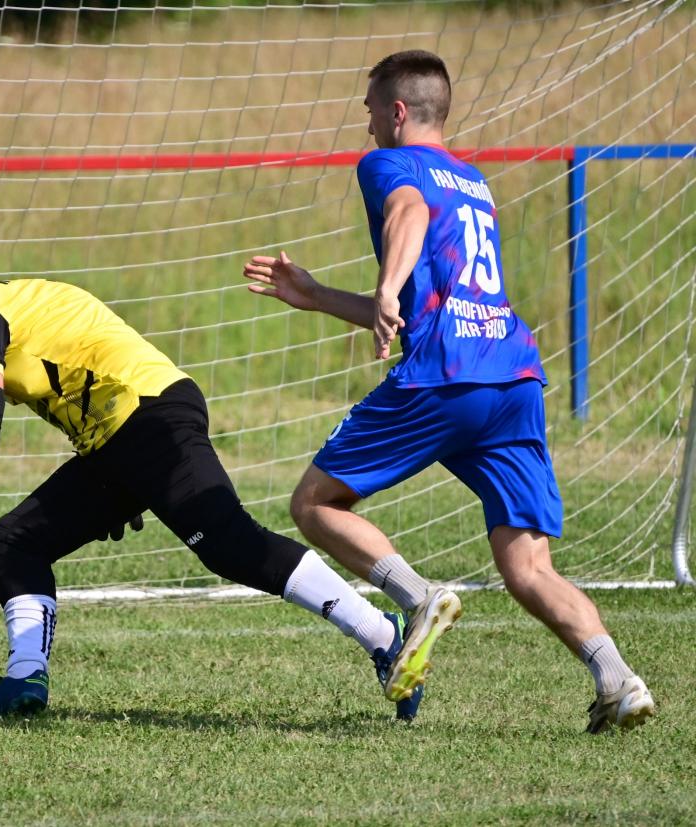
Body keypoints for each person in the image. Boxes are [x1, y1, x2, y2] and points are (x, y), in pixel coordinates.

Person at [243, 50, 654, 733]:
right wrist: (319, 296)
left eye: (371, 108)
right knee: (528, 565)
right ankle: (618, 678)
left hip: (447, 374)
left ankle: (416, 596)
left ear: (398, 111)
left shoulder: (387, 165)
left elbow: (406, 214)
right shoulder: (473, 181)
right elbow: (425, 302)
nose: (366, 122)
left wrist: (384, 286)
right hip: (513, 375)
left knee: (314, 503)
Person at [0, 259, 425, 720]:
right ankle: (25, 679)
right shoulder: (5, 301)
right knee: (16, 542)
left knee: (229, 543)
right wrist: (125, 482)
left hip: (147, 417)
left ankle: (382, 632)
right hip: (121, 437)